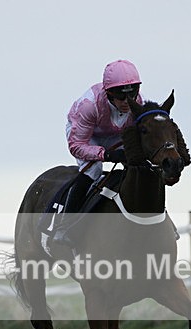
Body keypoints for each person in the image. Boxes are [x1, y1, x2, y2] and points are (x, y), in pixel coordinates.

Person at [53, 59, 144, 247]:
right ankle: (65, 226)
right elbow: (77, 146)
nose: (127, 103)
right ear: (109, 93)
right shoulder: (89, 105)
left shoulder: (137, 103)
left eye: (132, 95)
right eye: (121, 98)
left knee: (139, 164)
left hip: (114, 134)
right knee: (93, 171)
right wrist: (107, 155)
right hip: (86, 135)